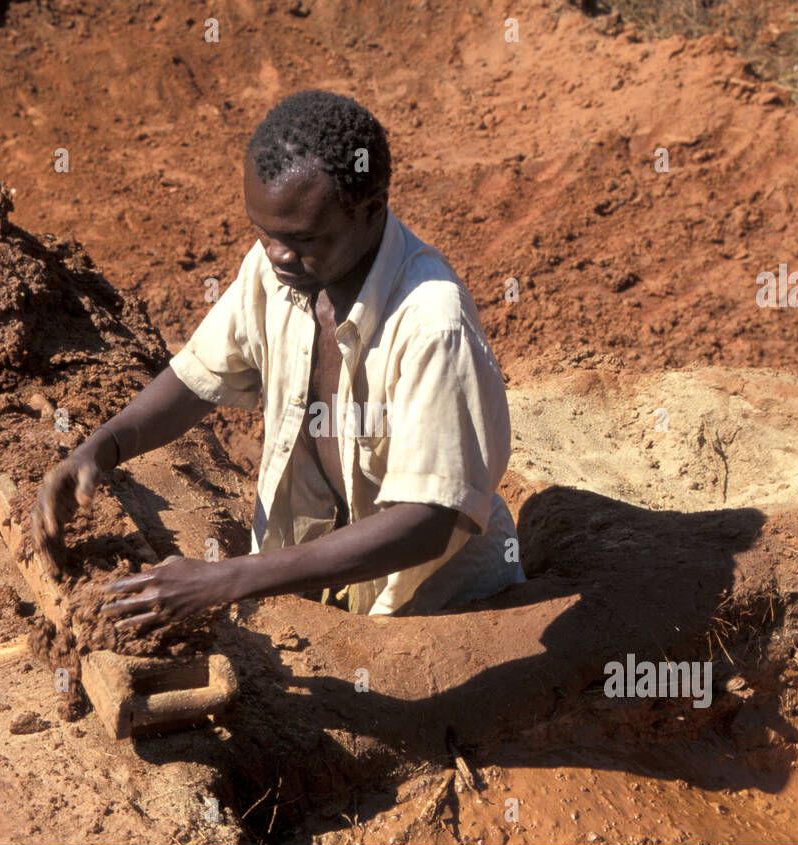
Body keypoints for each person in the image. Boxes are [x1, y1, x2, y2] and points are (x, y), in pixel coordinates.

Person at [31, 89, 524, 627]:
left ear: (370, 211)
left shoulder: (432, 325)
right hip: (320, 591)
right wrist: (99, 449)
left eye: (303, 237)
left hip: (436, 613)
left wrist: (229, 577)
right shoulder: (281, 267)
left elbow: (428, 521)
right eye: (263, 232)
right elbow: (199, 375)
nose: (277, 254)